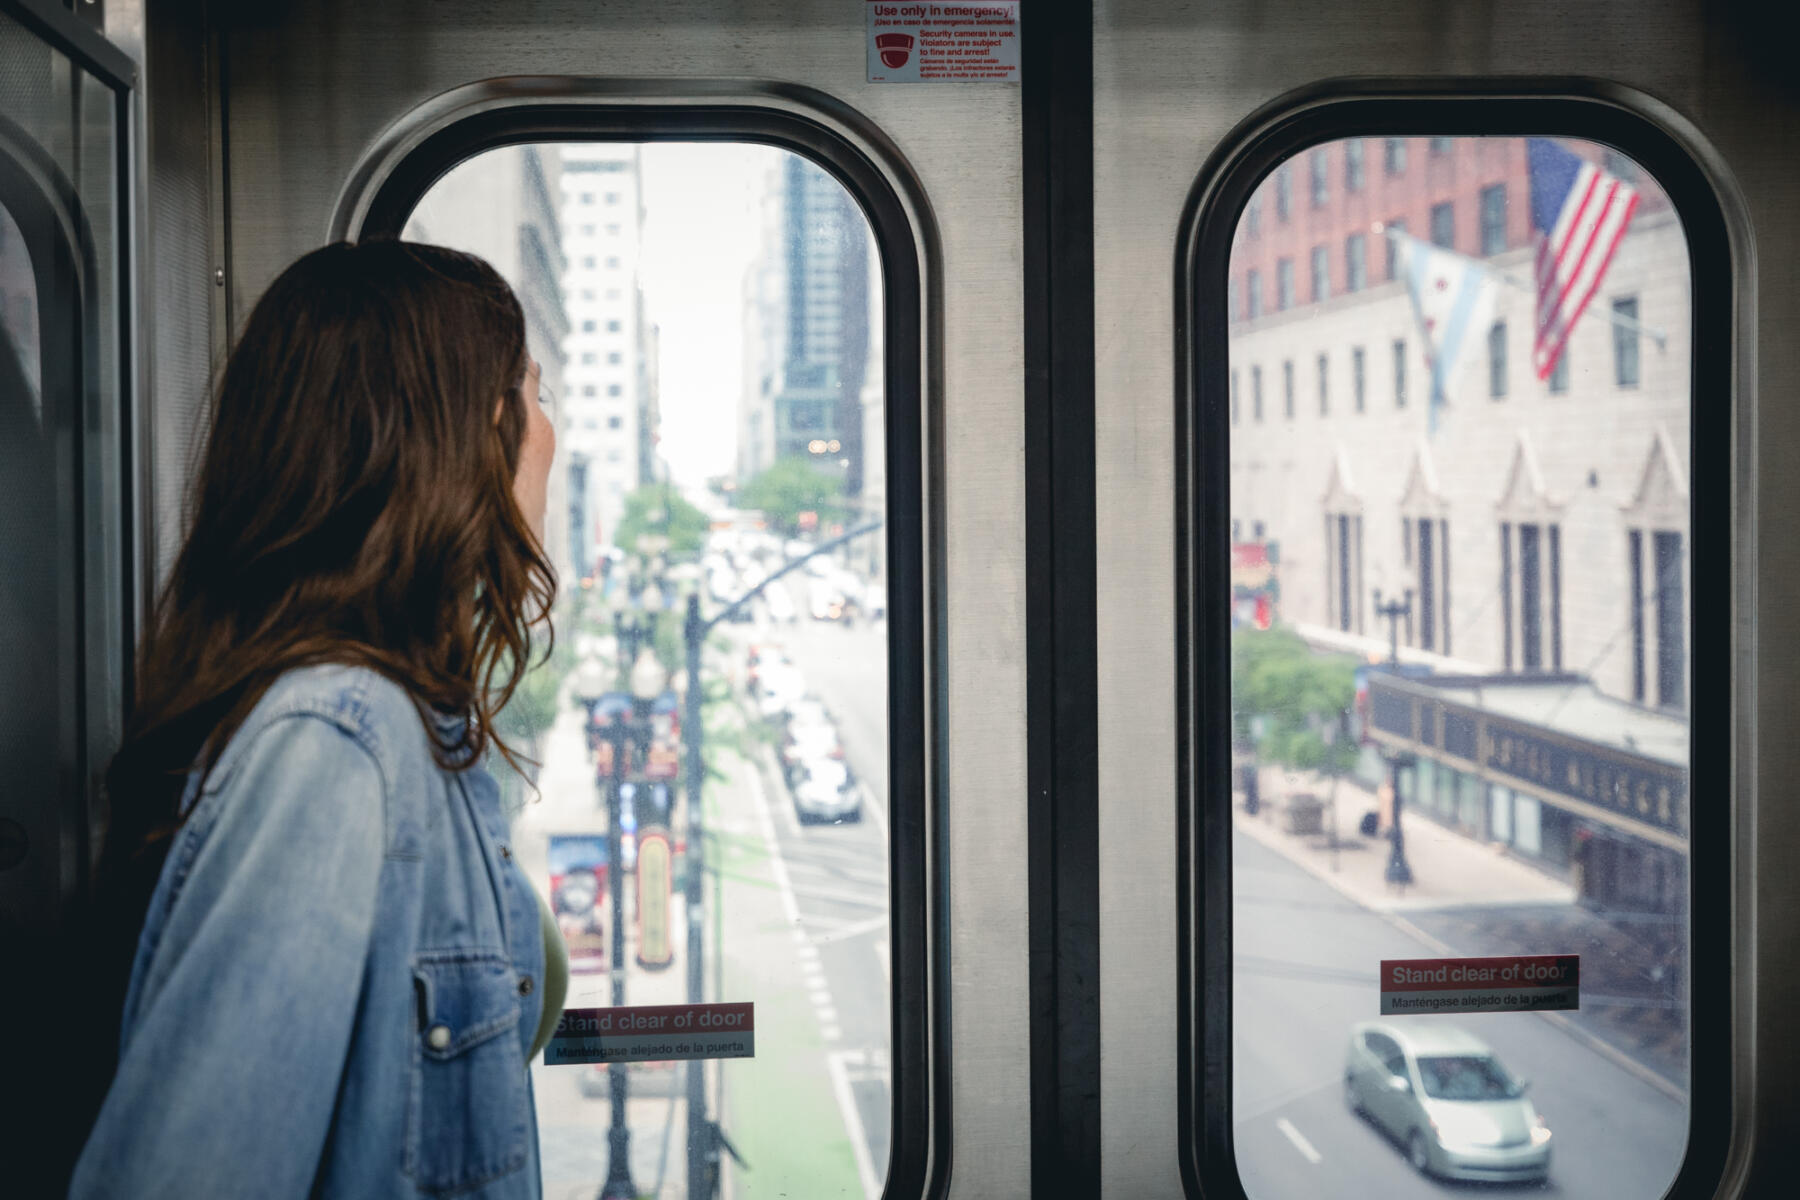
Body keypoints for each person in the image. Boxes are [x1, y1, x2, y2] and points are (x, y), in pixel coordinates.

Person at [69, 241, 567, 1198]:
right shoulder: (334, 743)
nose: (549, 433)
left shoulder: (418, 723)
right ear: (461, 435)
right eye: (532, 395)